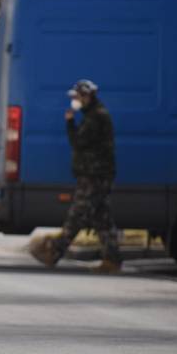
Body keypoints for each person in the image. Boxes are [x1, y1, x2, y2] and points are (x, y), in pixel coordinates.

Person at [29, 79, 122, 274]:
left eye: (78, 96)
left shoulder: (96, 117)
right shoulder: (93, 115)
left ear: (87, 96)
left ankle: (54, 251)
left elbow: (78, 142)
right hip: (96, 175)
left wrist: (70, 122)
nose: (75, 100)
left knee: (78, 214)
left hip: (95, 176)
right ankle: (112, 259)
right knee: (102, 218)